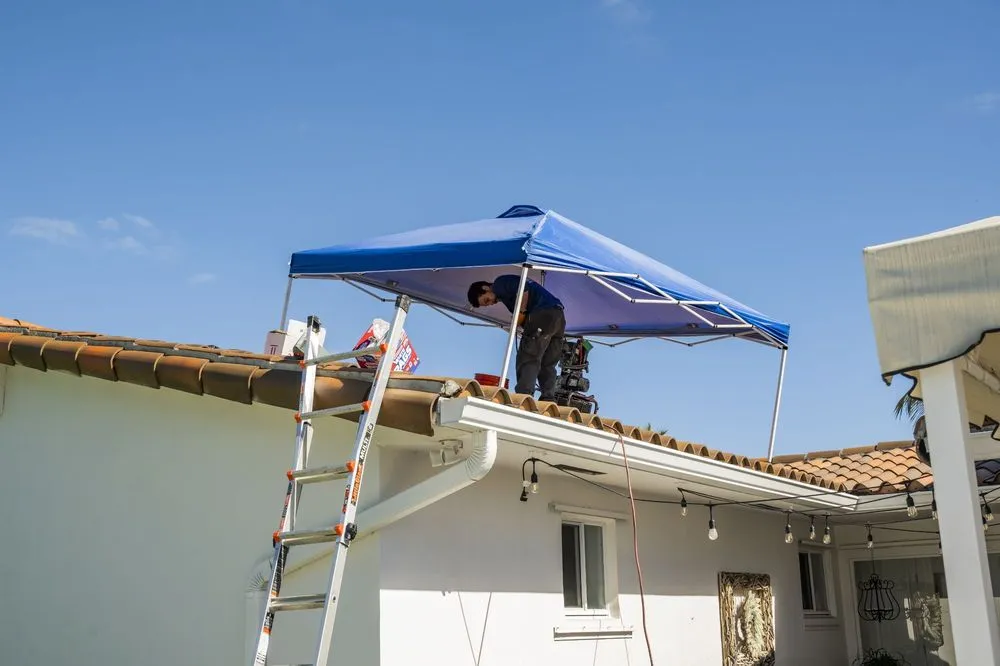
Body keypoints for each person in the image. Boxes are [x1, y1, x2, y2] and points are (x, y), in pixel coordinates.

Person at [467, 275, 566, 401]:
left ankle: (524, 397)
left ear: (485, 287)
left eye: (487, 300)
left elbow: (524, 288)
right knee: (548, 362)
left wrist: (522, 312)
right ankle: (548, 398)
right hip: (558, 315)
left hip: (543, 313)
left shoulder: (499, 284)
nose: (491, 303)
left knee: (528, 357)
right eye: (488, 304)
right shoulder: (506, 296)